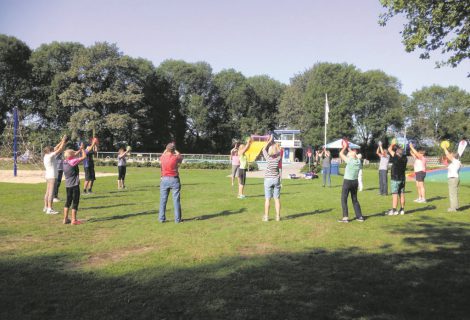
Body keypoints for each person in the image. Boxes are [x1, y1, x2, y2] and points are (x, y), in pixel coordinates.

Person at [62, 139, 96, 225]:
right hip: (74, 185)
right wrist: (83, 150)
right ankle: (74, 220)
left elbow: (72, 155)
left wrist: (80, 149)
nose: (75, 154)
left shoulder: (65, 161)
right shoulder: (73, 161)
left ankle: (65, 219)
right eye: (74, 153)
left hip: (68, 185)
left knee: (68, 202)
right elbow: (84, 157)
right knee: (75, 202)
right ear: (72, 155)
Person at [338, 145, 364, 223]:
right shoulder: (358, 161)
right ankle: (359, 216)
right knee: (355, 199)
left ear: (350, 156)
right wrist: (348, 148)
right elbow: (354, 155)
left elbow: (340, 153)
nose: (348, 154)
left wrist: (344, 147)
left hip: (347, 181)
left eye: (348, 154)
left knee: (344, 199)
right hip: (355, 182)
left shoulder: (349, 160)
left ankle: (345, 217)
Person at [159, 142, 183, 223]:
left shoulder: (162, 157)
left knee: (163, 200)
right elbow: (181, 158)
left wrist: (166, 150)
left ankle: (161, 219)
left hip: (164, 179)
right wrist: (176, 151)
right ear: (174, 150)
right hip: (174, 179)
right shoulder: (176, 157)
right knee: (176, 200)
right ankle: (177, 219)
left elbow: (163, 154)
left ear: (167, 149)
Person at [43, 135, 67, 214]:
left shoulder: (46, 156)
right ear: (50, 151)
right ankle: (50, 209)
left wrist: (61, 142)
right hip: (52, 176)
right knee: (51, 193)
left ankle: (46, 207)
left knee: (47, 192)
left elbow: (56, 148)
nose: (53, 150)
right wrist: (63, 140)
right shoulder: (50, 156)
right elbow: (59, 149)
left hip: (48, 176)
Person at [261, 135, 282, 222]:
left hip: (268, 180)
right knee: (276, 199)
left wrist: (269, 141)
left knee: (267, 199)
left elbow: (263, 149)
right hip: (276, 180)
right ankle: (278, 216)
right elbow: (279, 150)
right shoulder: (278, 158)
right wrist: (275, 144)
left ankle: (266, 217)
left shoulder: (268, 158)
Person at [386, 142, 408, 215]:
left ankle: (394, 210)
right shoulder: (405, 158)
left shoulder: (395, 156)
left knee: (395, 194)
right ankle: (402, 209)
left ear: (397, 152)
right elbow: (400, 152)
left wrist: (392, 144)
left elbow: (389, 149)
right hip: (402, 179)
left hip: (395, 178)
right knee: (401, 194)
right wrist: (399, 146)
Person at [442, 145, 461, 212]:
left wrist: (444, 148)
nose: (450, 155)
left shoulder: (455, 161)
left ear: (453, 156)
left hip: (453, 179)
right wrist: (444, 161)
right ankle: (455, 206)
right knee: (454, 193)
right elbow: (448, 166)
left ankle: (453, 208)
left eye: (451, 154)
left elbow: (448, 155)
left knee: (452, 193)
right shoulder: (455, 162)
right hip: (454, 178)